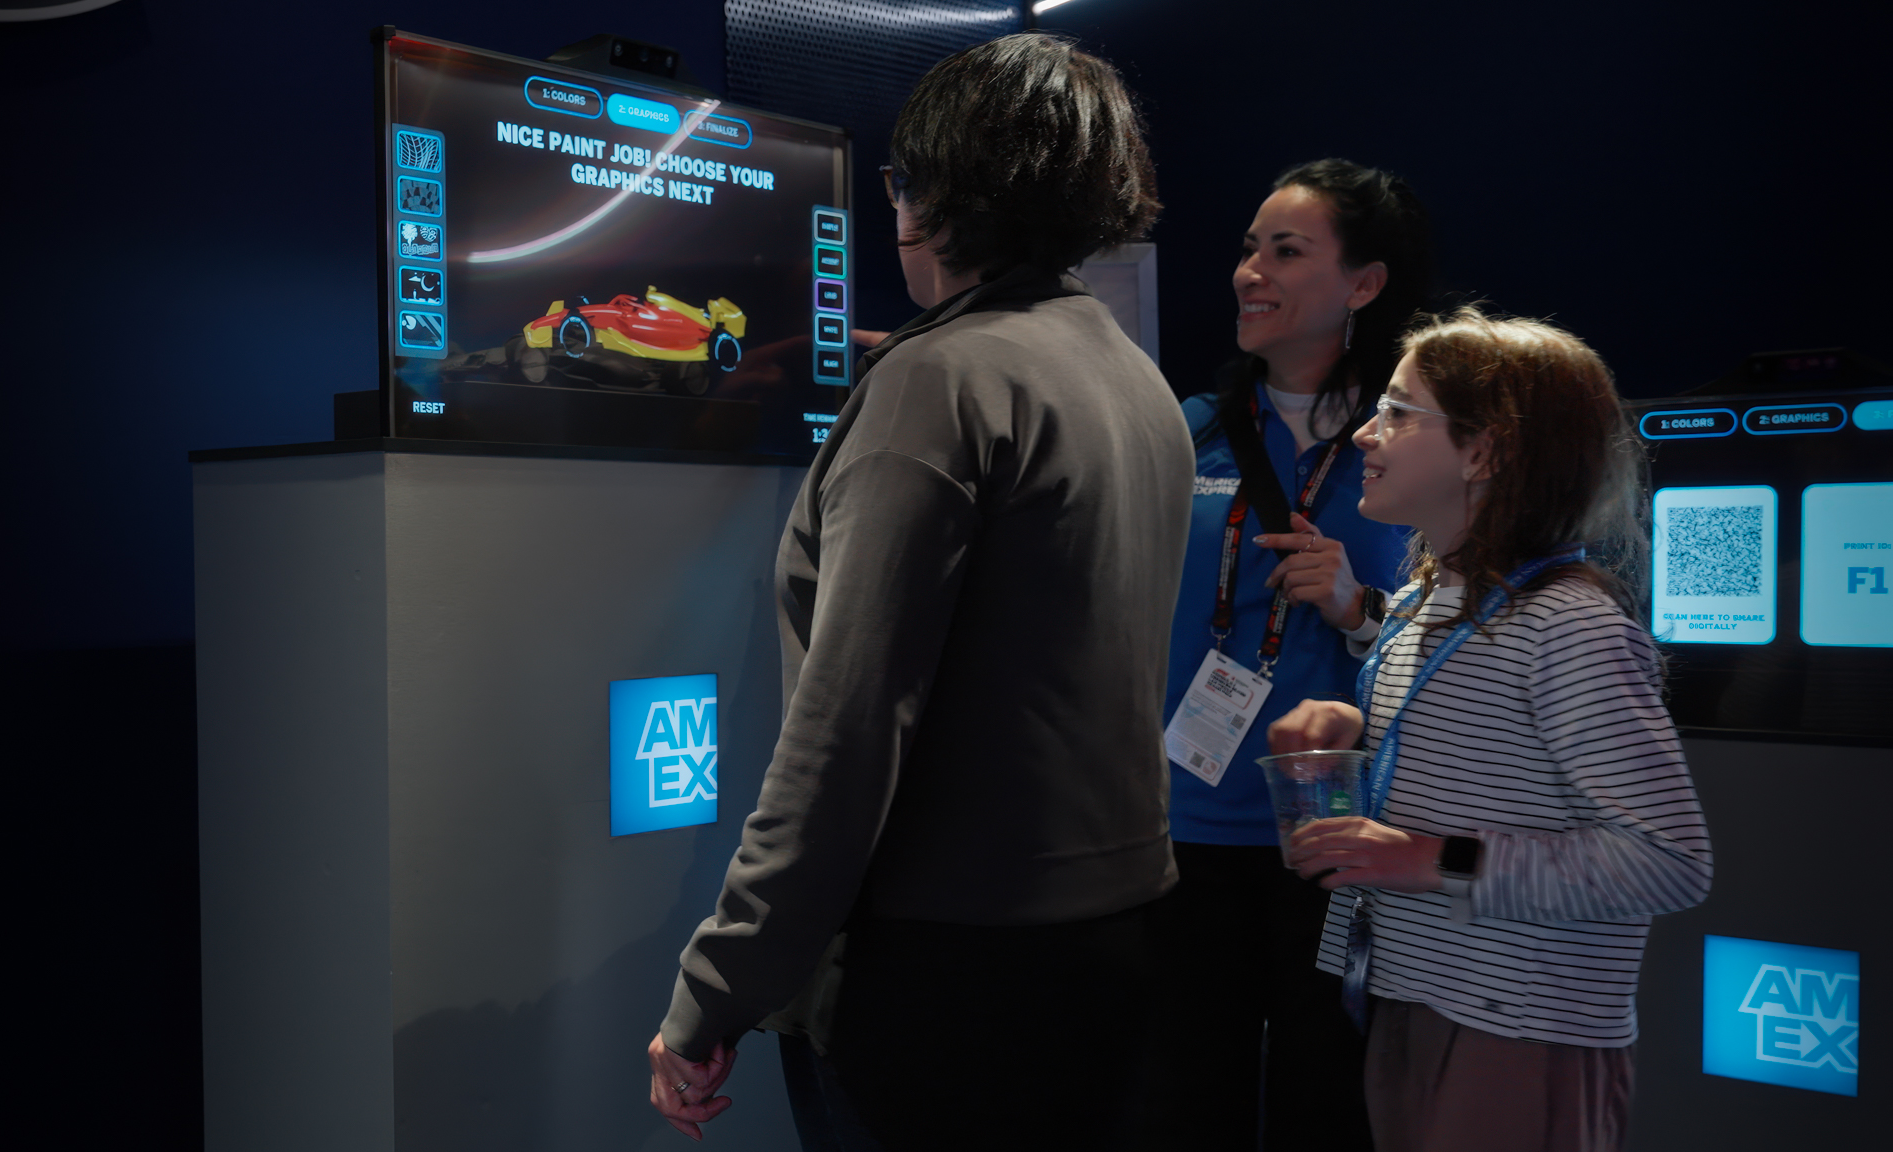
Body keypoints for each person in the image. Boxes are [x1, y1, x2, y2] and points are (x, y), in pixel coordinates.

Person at [645, 33, 1190, 1148]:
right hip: (1111, 947)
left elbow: (845, 733)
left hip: (946, 977)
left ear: (927, 195)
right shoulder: (1132, 378)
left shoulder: (938, 383)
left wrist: (717, 986)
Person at [1272, 307, 1712, 1152]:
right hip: (1413, 996)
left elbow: (1666, 861)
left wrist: (1427, 859)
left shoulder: (1569, 625)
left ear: (1485, 450)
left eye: (1399, 412)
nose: (1366, 432)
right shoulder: (1426, 601)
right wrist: (1351, 732)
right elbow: (1486, 755)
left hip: (1518, 1028)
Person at [1146, 159, 1430, 1150]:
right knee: (1187, 1100)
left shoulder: (1411, 448)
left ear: (1362, 286)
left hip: (1335, 834)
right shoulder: (1187, 431)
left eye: (1285, 250)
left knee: (1326, 1102)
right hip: (1180, 829)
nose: (1248, 271)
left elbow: (1467, 629)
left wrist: (1358, 608)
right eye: (1246, 247)